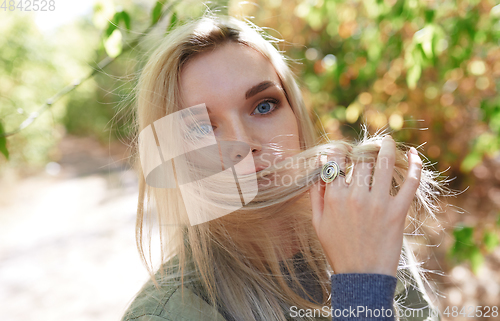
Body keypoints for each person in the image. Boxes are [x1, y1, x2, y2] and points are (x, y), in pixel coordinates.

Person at [121, 13, 448, 321]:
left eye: (264, 106)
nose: (244, 143)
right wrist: (362, 288)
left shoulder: (360, 226)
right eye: (201, 128)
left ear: (295, 114)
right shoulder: (167, 313)